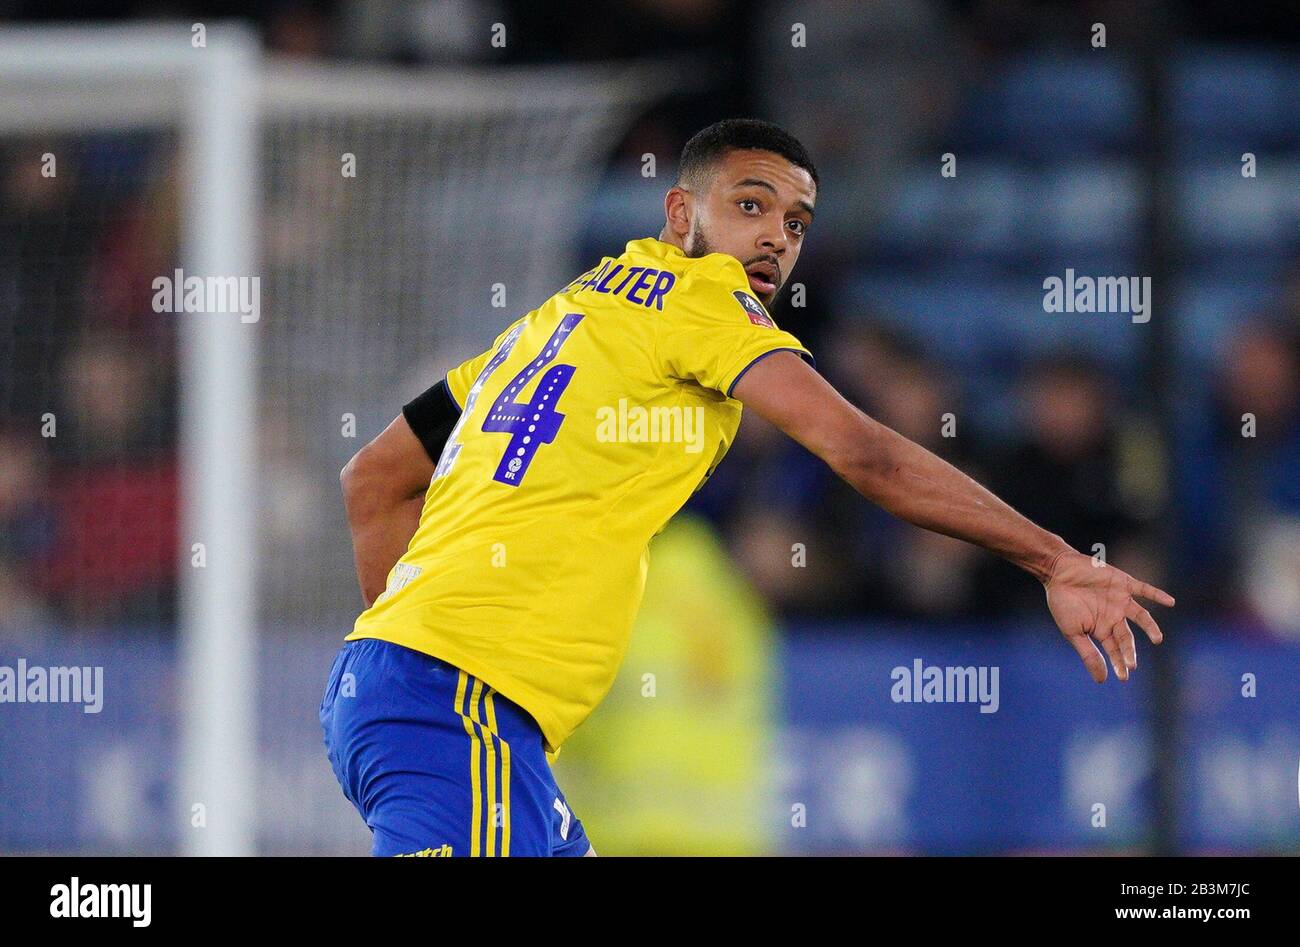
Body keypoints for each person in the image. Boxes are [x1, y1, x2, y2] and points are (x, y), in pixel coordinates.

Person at [320, 118, 1174, 857]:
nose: (775, 237)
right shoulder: (704, 300)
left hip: (423, 694)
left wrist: (399, 650)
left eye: (796, 221)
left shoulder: (555, 321)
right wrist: (1055, 559)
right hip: (455, 697)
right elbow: (861, 451)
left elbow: (374, 480)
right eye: (751, 204)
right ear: (681, 213)